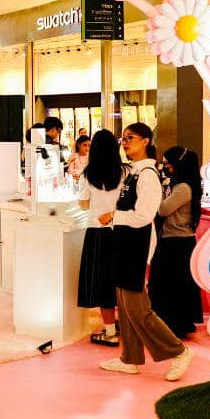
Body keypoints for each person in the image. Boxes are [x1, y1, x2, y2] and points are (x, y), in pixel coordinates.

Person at [97, 123, 193, 380]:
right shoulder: (134, 172)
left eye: (130, 138)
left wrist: (114, 215)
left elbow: (144, 215)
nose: (125, 142)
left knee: (138, 308)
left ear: (145, 141)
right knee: (125, 306)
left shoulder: (148, 175)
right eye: (123, 138)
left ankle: (179, 350)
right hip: (125, 244)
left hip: (135, 248)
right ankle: (129, 357)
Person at [150, 146, 204, 337]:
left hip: (177, 242)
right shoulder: (181, 186)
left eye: (168, 164)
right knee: (176, 285)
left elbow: (163, 209)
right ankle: (176, 322)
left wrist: (155, 193)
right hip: (176, 240)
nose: (166, 168)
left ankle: (174, 324)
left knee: (172, 286)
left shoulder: (183, 188)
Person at [77, 130, 123, 347]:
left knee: (103, 283)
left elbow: (83, 204)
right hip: (122, 229)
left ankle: (110, 331)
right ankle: (127, 324)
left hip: (97, 231)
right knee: (123, 281)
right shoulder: (126, 172)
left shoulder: (88, 174)